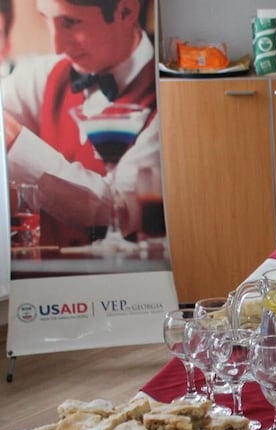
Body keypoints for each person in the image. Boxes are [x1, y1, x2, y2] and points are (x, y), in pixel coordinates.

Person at [2, 0, 159, 248]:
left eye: (70, 22)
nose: (57, 47)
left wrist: (16, 144)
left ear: (126, 10)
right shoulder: (44, 75)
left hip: (131, 271)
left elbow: (120, 211)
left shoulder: (172, 99)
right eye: (46, 19)